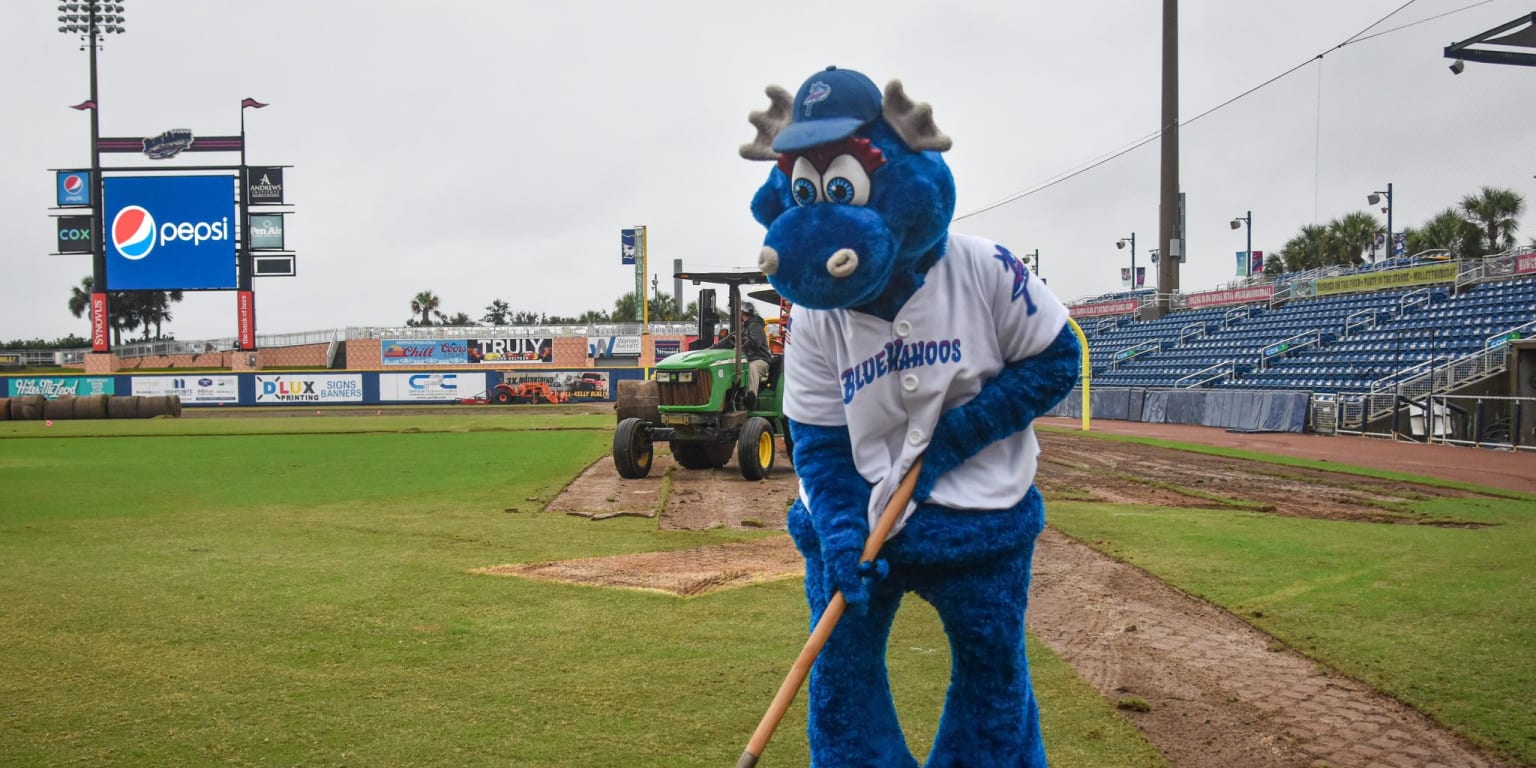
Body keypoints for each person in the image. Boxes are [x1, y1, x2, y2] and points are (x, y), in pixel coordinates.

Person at [711, 303, 773, 400]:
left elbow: (755, 342)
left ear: (742, 312)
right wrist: (710, 349)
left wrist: (740, 341)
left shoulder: (756, 326)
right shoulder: (743, 327)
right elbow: (727, 341)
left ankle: (751, 397)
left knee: (752, 368)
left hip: (760, 360)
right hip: (745, 360)